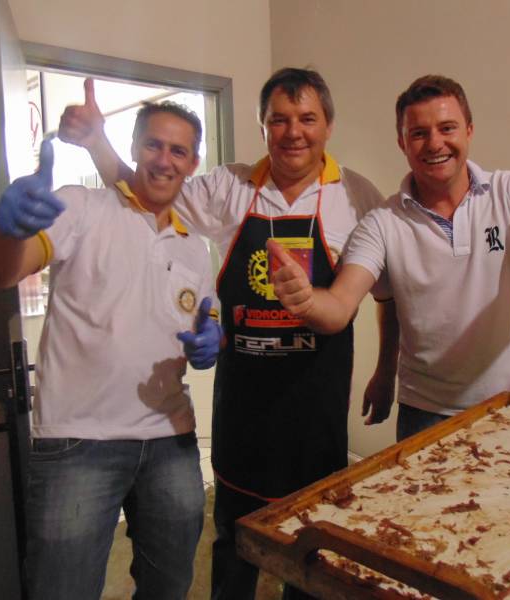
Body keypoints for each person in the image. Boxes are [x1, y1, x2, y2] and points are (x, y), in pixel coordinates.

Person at [58, 68, 388, 600]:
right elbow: (149, 191)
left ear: (328, 125)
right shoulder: (229, 186)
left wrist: (387, 369)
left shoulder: (356, 194)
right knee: (235, 541)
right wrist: (98, 142)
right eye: (278, 120)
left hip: (317, 406)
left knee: (311, 546)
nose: (293, 132)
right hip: (243, 407)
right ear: (262, 127)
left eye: (307, 119)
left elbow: (386, 292)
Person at [270, 74, 510, 442]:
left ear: (469, 131)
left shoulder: (509, 191)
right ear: (402, 143)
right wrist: (307, 302)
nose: (435, 143)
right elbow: (339, 305)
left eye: (447, 128)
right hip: (424, 413)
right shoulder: (383, 222)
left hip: (509, 404)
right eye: (419, 133)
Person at [0, 102, 222, 600]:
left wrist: (210, 342)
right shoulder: (80, 208)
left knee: (170, 587)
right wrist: (7, 230)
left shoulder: (194, 247)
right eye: (153, 145)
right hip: (78, 442)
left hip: (171, 441)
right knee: (61, 590)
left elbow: (205, 315)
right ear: (133, 147)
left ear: (193, 163)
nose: (164, 160)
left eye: (178, 151)